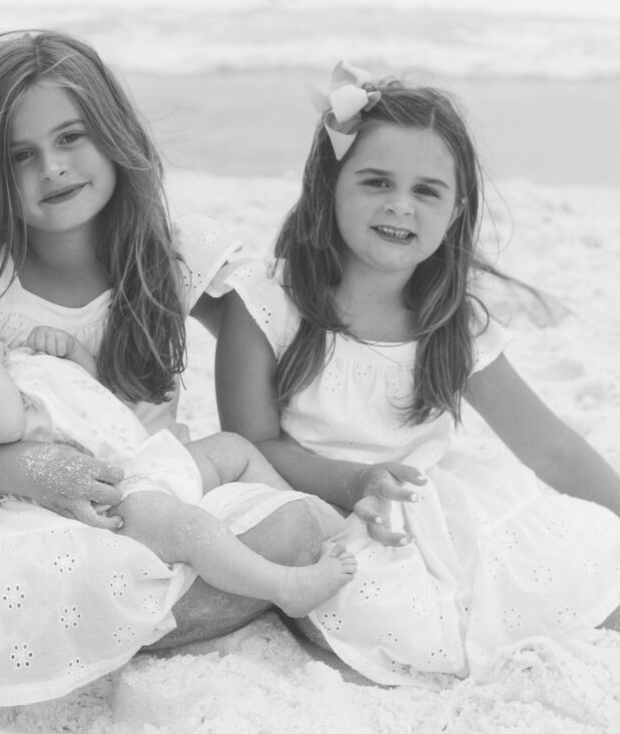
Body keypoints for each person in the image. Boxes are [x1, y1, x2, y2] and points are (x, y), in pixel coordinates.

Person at [0, 31, 349, 709]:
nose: (53, 168)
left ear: (112, 132)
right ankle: (152, 618)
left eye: (71, 138)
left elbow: (266, 322)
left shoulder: (163, 247)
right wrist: (27, 470)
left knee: (289, 526)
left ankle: (165, 608)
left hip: (154, 476)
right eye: (20, 156)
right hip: (47, 516)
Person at [216, 62, 620, 687]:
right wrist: (355, 482)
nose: (399, 206)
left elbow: (554, 449)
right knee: (374, 603)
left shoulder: (451, 325)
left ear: (456, 212)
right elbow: (250, 447)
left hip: (429, 512)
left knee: (581, 553)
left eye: (427, 191)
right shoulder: (267, 306)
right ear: (329, 189)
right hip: (319, 509)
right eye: (376, 182)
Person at [0, 324, 355, 620]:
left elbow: (92, 401)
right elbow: (6, 425)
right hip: (114, 499)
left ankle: (324, 520)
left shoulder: (9, 371)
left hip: (142, 460)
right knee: (189, 530)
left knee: (233, 447)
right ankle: (287, 587)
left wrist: (70, 354)